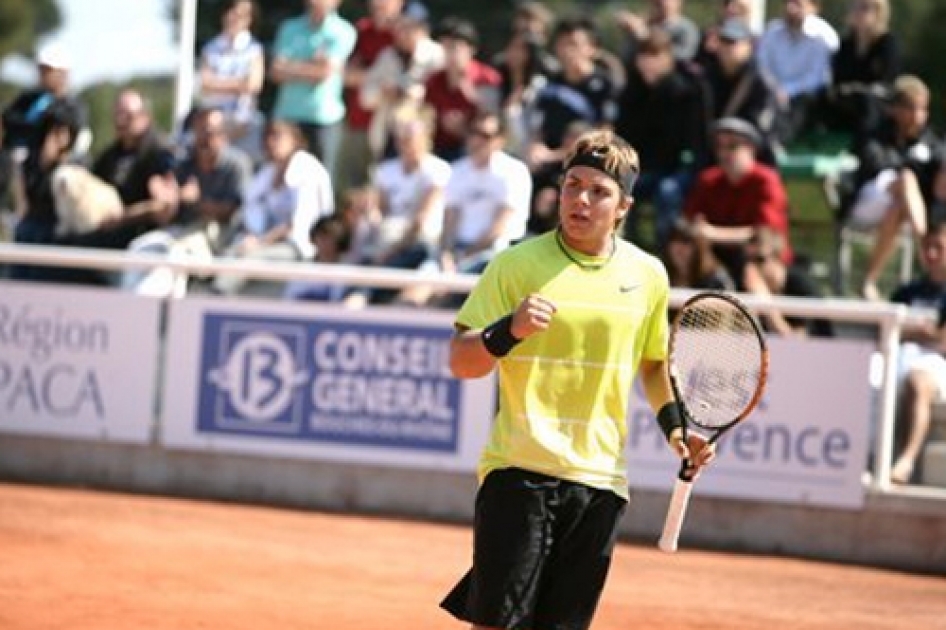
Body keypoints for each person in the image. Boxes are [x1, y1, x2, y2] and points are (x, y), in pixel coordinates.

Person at [439, 129, 715, 630]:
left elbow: (652, 363)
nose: (581, 200)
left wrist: (677, 428)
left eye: (598, 191)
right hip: (518, 472)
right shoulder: (516, 265)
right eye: (572, 185)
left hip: (600, 483)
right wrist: (509, 331)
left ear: (624, 206)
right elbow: (461, 361)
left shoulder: (648, 274)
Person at [845, 75, 942, 300]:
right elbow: (876, 163)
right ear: (896, 109)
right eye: (912, 108)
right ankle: (925, 247)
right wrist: (910, 161)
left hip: (901, 208)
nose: (919, 116)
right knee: (906, 178)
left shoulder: (928, 140)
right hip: (868, 200)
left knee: (897, 207)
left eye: (923, 109)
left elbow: (936, 169)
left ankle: (868, 281)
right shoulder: (875, 131)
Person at [214, 120, 334, 297]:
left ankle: (214, 296)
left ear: (295, 140)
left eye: (277, 136)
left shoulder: (308, 170)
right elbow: (251, 214)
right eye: (267, 136)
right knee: (227, 255)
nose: (270, 142)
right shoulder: (266, 173)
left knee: (249, 260)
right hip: (264, 243)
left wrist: (260, 243)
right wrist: (251, 239)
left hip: (298, 247)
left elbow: (297, 224)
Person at [615, 29, 709, 253]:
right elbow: (626, 134)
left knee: (668, 192)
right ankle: (626, 247)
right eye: (644, 55)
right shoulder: (632, 91)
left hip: (677, 167)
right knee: (621, 188)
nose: (648, 62)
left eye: (655, 55)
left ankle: (665, 249)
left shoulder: (685, 90)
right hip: (643, 167)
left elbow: (692, 138)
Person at [684, 117, 792, 285]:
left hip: (761, 261)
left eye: (733, 146)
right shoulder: (709, 179)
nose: (724, 153)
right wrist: (698, 229)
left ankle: (767, 312)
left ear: (751, 149)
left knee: (754, 268)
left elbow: (764, 234)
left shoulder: (766, 180)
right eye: (719, 146)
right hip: (717, 260)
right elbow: (691, 221)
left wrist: (712, 233)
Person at [270, 0, 356, 181]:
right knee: (283, 178)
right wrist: (312, 67)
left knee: (320, 180)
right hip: (288, 116)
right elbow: (276, 72)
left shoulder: (343, 31)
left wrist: (291, 68)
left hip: (323, 119)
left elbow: (323, 73)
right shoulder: (289, 28)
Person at [888, 219, 946, 484]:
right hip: (899, 355)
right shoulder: (906, 291)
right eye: (927, 247)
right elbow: (887, 329)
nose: (932, 254)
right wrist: (925, 334)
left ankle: (905, 461)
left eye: (939, 247)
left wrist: (927, 335)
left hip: (936, 365)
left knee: (916, 381)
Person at [755, 0, 839, 144]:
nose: (790, 8)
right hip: (772, 93)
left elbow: (818, 77)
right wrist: (776, 89)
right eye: (787, 3)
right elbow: (762, 66)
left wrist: (788, 91)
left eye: (797, 3)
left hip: (805, 98)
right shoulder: (771, 33)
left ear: (814, 8)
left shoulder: (823, 37)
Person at [340, 0, 403, 188]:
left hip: (392, 125)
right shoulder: (360, 30)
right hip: (358, 119)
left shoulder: (404, 34)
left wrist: (366, 76)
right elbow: (346, 75)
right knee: (353, 181)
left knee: (385, 183)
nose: (380, 4)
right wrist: (375, 79)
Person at [197, 0, 266, 163]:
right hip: (213, 125)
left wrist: (218, 83)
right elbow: (205, 84)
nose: (235, 19)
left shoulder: (254, 49)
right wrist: (239, 84)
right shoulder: (211, 48)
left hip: (245, 124)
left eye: (242, 16)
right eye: (233, 13)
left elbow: (253, 85)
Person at [423, 17, 501, 162]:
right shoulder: (434, 80)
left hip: (475, 151)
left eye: (455, 47)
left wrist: (470, 95)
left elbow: (493, 119)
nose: (449, 54)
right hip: (438, 148)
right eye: (445, 47)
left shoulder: (487, 78)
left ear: (471, 49)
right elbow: (426, 115)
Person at [825, 0, 901, 139]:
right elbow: (837, 79)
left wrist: (859, 89)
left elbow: (887, 81)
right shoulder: (846, 45)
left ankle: (866, 146)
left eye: (864, 8)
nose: (857, 12)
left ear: (878, 13)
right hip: (848, 100)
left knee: (866, 102)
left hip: (875, 103)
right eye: (854, 7)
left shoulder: (887, 43)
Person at [741, 227, 834, 337]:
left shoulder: (800, 284)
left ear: (777, 257)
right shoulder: (751, 286)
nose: (752, 267)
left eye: (759, 259)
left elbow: (797, 342)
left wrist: (766, 303)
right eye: (748, 260)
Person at [613, 0, 701, 64]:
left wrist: (644, 35)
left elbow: (683, 56)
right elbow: (626, 57)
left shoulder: (686, 29)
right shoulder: (644, 24)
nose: (661, 2)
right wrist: (631, 33)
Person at [662, 218, 735, 291]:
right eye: (675, 240)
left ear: (698, 247)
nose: (679, 248)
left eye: (686, 241)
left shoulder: (716, 281)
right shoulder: (663, 277)